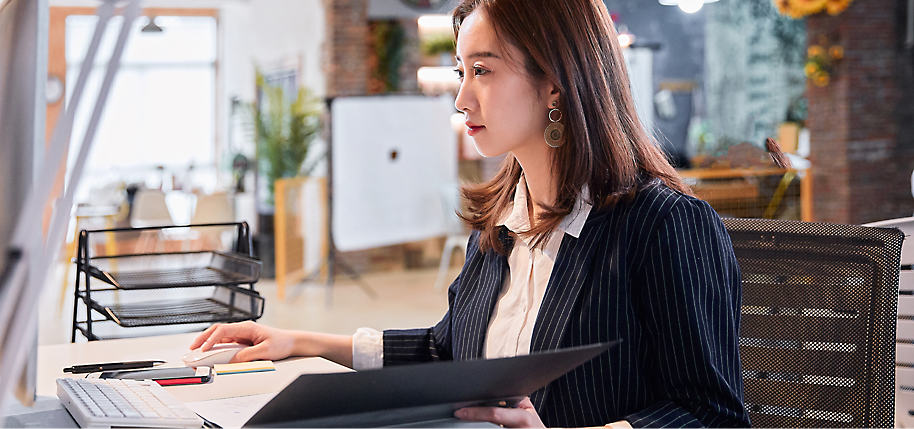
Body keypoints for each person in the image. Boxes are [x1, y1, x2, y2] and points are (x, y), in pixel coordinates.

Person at [190, 0, 750, 427]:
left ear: (555, 81)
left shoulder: (665, 227)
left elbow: (711, 415)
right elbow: (448, 349)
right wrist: (304, 343)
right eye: (461, 72)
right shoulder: (500, 227)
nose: (462, 100)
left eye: (482, 71)